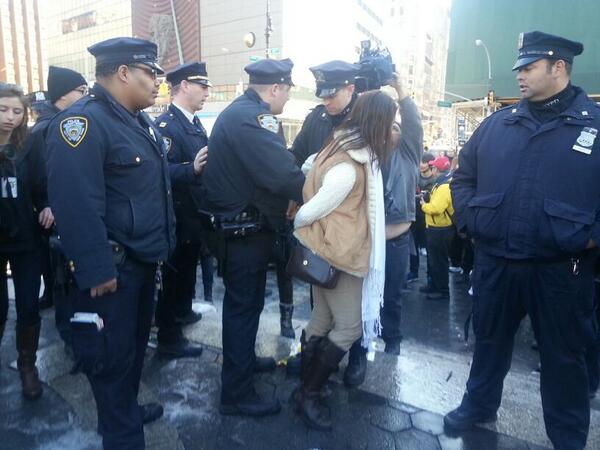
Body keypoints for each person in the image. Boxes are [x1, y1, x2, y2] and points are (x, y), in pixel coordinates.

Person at [446, 31, 599, 450]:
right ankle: (477, 406)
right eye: (519, 68)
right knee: (489, 344)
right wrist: (469, 222)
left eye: (529, 68)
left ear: (559, 68)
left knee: (564, 359)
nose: (520, 76)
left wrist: (590, 237)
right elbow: (463, 177)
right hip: (496, 262)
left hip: (560, 272)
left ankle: (567, 438)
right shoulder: (499, 123)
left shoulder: (594, 127)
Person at [46, 37, 176, 450]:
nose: (158, 82)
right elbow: (76, 202)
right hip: (113, 271)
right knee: (112, 361)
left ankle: (127, 411)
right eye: (150, 73)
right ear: (123, 73)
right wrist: (97, 268)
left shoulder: (138, 121)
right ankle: (123, 435)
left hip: (141, 263)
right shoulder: (82, 123)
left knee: (133, 352)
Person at [201, 58, 305, 417]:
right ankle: (236, 393)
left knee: (246, 307)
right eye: (287, 92)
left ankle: (242, 366)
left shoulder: (244, 113)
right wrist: (316, 189)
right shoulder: (253, 118)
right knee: (243, 310)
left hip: (246, 232)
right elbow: (281, 174)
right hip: (244, 234)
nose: (287, 100)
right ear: (275, 88)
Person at [291, 90, 397, 430]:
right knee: (349, 327)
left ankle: (304, 387)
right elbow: (313, 208)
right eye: (390, 122)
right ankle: (310, 391)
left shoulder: (338, 143)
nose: (392, 129)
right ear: (376, 122)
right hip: (340, 256)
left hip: (328, 252)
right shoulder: (352, 163)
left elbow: (308, 164)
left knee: (322, 319)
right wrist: (301, 225)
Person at [154, 62, 212, 359]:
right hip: (176, 218)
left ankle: (184, 312)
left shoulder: (192, 122)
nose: (207, 93)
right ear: (184, 86)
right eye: (202, 86)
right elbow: (159, 171)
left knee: (188, 271)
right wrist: (192, 169)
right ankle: (169, 336)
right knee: (174, 279)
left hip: (192, 217)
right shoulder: (167, 125)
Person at [28, 66, 87, 354]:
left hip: (62, 212)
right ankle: (69, 338)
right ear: (65, 95)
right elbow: (41, 177)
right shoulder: (48, 128)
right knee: (64, 279)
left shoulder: (59, 122)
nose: (85, 97)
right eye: (81, 91)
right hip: (56, 215)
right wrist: (48, 204)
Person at [0, 83, 53, 399]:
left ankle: (27, 366)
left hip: (26, 240)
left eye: (17, 111)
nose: (10, 117)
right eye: (4, 109)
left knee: (29, 307)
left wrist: (47, 205)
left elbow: (40, 185)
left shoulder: (29, 144)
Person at [380, 75, 423, 355]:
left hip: (395, 242)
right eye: (389, 127)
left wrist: (401, 91)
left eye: (397, 127)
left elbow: (413, 125)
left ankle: (392, 340)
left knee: (392, 296)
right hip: (365, 240)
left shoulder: (408, 154)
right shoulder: (369, 154)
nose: (393, 131)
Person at [291, 60, 359, 167]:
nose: (326, 102)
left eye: (332, 96)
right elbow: (297, 156)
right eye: (323, 97)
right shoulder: (315, 118)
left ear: (350, 89)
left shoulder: (365, 118)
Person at [419, 155, 453, 300]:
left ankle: (442, 290)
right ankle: (433, 286)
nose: (430, 168)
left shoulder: (443, 186)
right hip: (437, 228)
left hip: (440, 230)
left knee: (439, 262)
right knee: (434, 260)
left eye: (433, 166)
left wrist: (423, 205)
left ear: (437, 169)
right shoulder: (442, 183)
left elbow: (436, 208)